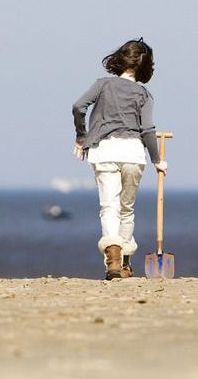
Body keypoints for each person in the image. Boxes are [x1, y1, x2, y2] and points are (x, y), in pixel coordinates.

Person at [72, 38, 167, 280]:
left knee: (109, 207)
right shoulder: (145, 94)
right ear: (146, 68)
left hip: (104, 151)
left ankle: (112, 259)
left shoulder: (102, 85)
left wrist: (82, 137)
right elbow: (147, 130)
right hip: (133, 153)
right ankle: (124, 262)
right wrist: (157, 160)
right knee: (126, 210)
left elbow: (78, 106)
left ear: (120, 58)